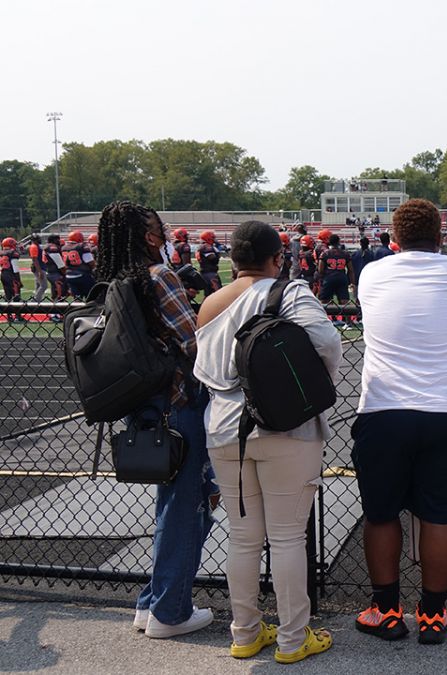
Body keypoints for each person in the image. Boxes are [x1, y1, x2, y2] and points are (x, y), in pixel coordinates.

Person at [352, 198, 447, 645]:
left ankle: (387, 609)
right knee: (440, 518)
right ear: (440, 236)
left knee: (380, 515)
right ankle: (432, 614)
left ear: (394, 238)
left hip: (383, 408)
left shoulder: (372, 272)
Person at [195, 220, 340, 664]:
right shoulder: (288, 291)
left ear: (232, 260)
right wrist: (310, 395)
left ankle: (245, 633)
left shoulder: (209, 305)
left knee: (242, 538)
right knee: (286, 538)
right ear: (278, 258)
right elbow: (328, 343)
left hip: (223, 426)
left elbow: (203, 369)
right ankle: (293, 639)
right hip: (284, 426)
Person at [95, 201, 218, 639]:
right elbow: (194, 343)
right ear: (149, 236)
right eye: (157, 227)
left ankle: (153, 602)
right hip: (180, 405)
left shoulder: (112, 281)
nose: (164, 231)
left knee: (178, 504)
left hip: (143, 408)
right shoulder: (158, 277)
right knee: (187, 506)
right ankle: (170, 610)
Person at [318, 234, 354, 326]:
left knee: (324, 301)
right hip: (341, 278)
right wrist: (352, 282)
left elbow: (320, 270)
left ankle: (321, 321)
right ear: (338, 242)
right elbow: (350, 270)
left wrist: (322, 280)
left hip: (329, 278)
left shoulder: (325, 253)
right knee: (344, 301)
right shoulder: (345, 253)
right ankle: (348, 323)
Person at [62, 230, 96, 299]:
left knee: (77, 299)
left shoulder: (64, 248)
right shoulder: (81, 246)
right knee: (91, 296)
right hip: (82, 275)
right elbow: (90, 262)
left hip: (69, 276)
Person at [1, 237, 25, 323]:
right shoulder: (12, 253)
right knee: (16, 296)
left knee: (8, 296)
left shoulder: (2, 252)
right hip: (12, 275)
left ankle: (9, 316)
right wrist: (18, 280)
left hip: (3, 274)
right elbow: (15, 268)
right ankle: (18, 316)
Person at [196, 231, 223, 297]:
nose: (214, 239)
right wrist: (218, 252)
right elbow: (213, 259)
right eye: (212, 237)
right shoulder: (206, 247)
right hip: (209, 273)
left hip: (207, 272)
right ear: (208, 238)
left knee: (209, 294)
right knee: (217, 293)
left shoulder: (205, 246)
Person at [41, 234, 66, 304]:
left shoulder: (47, 246)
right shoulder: (52, 248)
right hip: (55, 273)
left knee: (54, 294)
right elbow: (60, 264)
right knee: (61, 293)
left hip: (50, 272)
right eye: (57, 239)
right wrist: (65, 273)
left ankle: (53, 312)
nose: (59, 241)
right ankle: (59, 312)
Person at [27, 235, 47, 302]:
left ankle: (38, 301)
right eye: (38, 239)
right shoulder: (34, 246)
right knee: (44, 286)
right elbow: (35, 259)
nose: (39, 240)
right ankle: (35, 301)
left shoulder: (35, 246)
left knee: (38, 285)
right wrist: (40, 271)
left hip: (39, 267)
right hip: (39, 268)